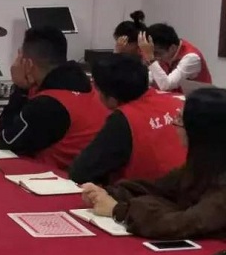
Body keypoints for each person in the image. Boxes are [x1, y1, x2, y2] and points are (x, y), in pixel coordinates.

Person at [81, 87, 226, 240]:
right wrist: (107, 193)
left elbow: (182, 224)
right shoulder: (205, 164)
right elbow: (157, 188)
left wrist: (118, 210)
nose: (175, 124)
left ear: (200, 133)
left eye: (180, 120)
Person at [0, 26, 109, 170]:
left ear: (28, 64)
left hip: (56, 179)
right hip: (90, 179)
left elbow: (5, 141)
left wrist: (20, 89)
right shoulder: (90, 88)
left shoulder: (48, 104)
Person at [69, 55, 185, 185]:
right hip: (188, 188)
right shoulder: (176, 102)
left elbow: (81, 172)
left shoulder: (124, 120)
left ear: (111, 99)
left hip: (146, 193)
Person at [138, 23, 212, 92]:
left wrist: (151, 60)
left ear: (172, 48)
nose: (155, 57)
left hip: (200, 99)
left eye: (157, 53)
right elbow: (150, 78)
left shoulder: (191, 58)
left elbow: (166, 85)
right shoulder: (164, 54)